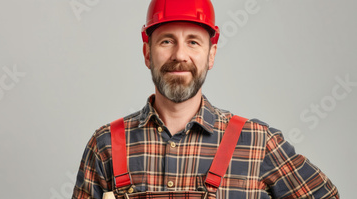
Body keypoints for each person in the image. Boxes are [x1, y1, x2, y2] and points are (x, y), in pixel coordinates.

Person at [72, 0, 339, 198]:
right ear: (147, 53)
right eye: (166, 41)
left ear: (211, 55)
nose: (180, 55)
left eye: (193, 42)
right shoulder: (106, 145)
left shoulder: (257, 143)